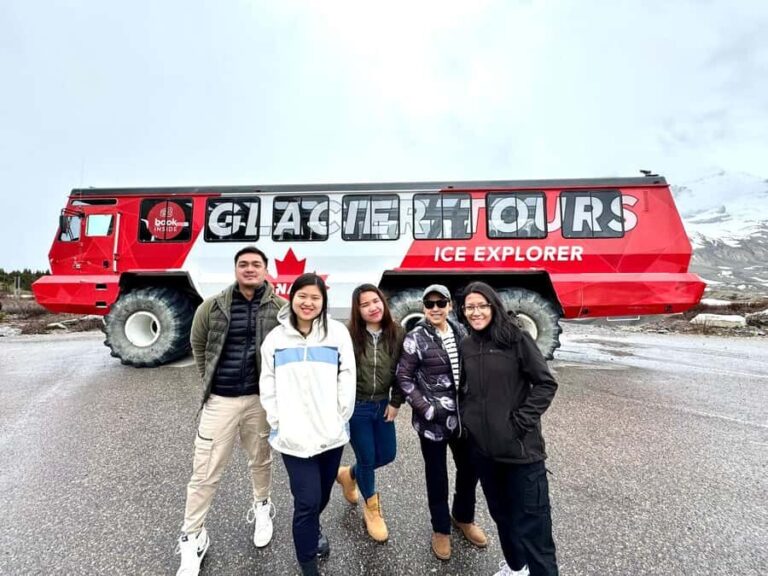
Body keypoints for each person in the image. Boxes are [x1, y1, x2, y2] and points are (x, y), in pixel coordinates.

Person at [176, 246, 285, 576]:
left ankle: (262, 506)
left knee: (261, 458)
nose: (249, 269)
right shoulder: (212, 306)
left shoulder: (280, 309)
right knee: (205, 469)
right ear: (236, 269)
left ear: (265, 270)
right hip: (220, 400)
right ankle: (193, 536)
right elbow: (198, 344)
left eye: (256, 264)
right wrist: (208, 382)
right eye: (243, 264)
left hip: (259, 401)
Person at [458, 281, 559, 576]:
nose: (476, 312)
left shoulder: (516, 338)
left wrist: (519, 422)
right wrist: (468, 421)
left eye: (482, 305)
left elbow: (545, 383)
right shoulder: (466, 345)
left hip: (521, 453)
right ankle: (516, 568)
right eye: (470, 307)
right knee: (503, 517)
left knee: (534, 528)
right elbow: (466, 390)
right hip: (485, 454)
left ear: (493, 306)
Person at [259, 273, 356, 576]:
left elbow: (347, 376)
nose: (308, 303)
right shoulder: (276, 339)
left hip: (330, 435)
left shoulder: (337, 333)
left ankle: (314, 527)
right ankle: (308, 563)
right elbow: (267, 382)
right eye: (302, 296)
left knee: (322, 496)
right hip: (293, 438)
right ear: (292, 298)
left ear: (323, 302)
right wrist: (277, 420)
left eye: (315, 297)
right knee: (307, 501)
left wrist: (340, 416)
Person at [396, 284, 488, 561]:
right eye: (429, 303)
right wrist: (426, 409)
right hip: (433, 422)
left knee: (470, 470)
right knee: (437, 476)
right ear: (423, 307)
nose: (435, 308)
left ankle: (463, 517)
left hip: (463, 419)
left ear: (450, 305)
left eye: (440, 303)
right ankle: (440, 529)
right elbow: (403, 378)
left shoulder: (462, 332)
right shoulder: (415, 338)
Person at [336, 284, 405, 542]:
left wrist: (396, 402)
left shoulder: (397, 333)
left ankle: (348, 474)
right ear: (357, 310)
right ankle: (372, 509)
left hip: (383, 404)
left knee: (387, 454)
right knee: (367, 459)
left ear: (383, 302)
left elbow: (404, 371)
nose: (372, 308)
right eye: (364, 304)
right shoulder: (348, 335)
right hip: (357, 407)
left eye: (375, 301)